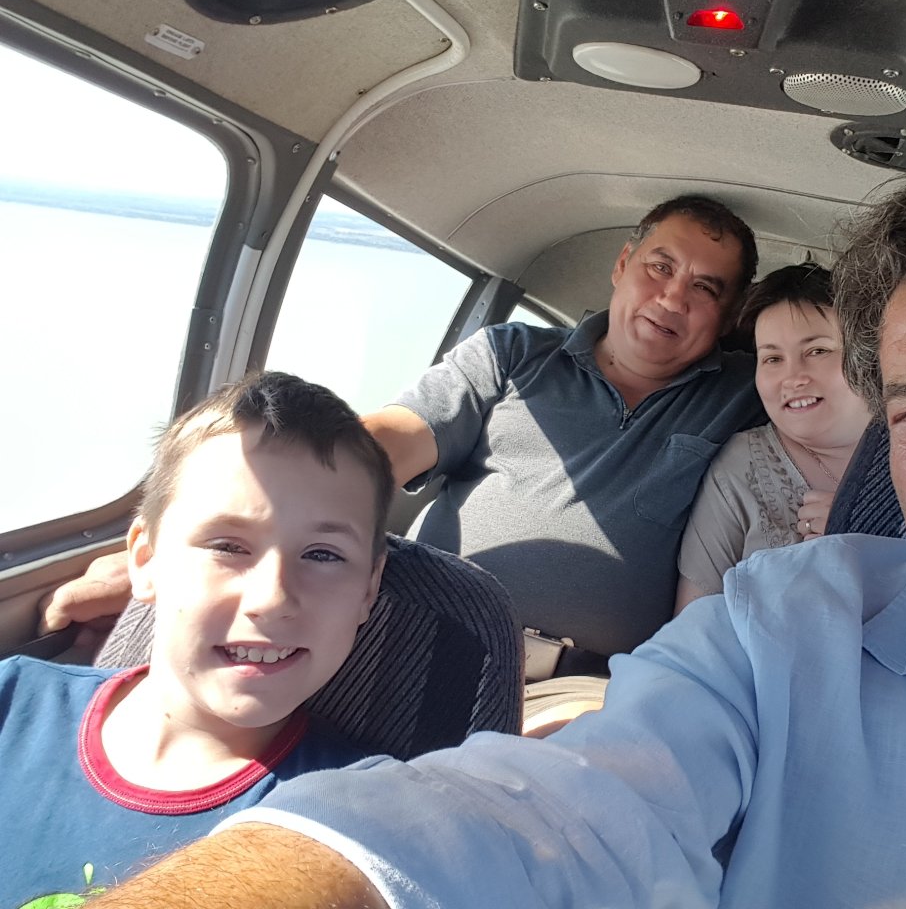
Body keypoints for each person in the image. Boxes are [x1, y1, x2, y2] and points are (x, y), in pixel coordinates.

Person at [72, 134, 906, 908]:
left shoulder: (731, 410)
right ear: (619, 266)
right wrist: (220, 525)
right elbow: (537, 817)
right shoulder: (776, 636)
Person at [40, 196, 766, 682]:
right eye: (660, 267)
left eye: (705, 287)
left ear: (730, 314)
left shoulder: (750, 395)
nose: (673, 297)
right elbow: (381, 444)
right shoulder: (512, 355)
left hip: (579, 686)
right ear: (623, 265)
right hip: (407, 635)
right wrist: (183, 545)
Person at [0, 371, 393, 906]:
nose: (272, 598)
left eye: (323, 555)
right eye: (228, 547)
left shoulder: (361, 816)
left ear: (368, 588)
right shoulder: (14, 698)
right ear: (146, 560)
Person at [674, 263, 872, 612]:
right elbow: (694, 621)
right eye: (773, 358)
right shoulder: (740, 467)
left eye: (818, 351)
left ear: (866, 357)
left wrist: (873, 535)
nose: (792, 377)